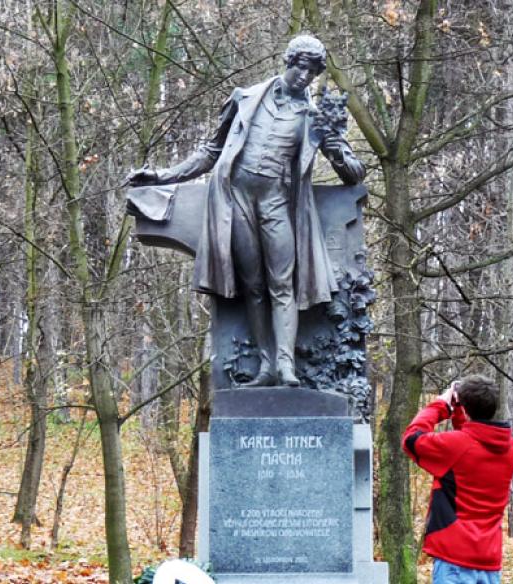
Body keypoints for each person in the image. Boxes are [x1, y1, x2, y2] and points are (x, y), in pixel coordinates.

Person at [126, 34, 365, 387]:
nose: (304, 76)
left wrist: (334, 147)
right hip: (236, 198)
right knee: (253, 284)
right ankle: (266, 365)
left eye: (311, 71)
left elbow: (354, 174)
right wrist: (161, 176)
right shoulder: (245, 99)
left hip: (276, 202)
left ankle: (286, 365)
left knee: (281, 283)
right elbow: (210, 152)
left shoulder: (314, 117)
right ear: (288, 62)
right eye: (300, 66)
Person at [402, 375, 513, 584]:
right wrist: (458, 411)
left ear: (465, 408)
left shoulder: (457, 447)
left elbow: (411, 439)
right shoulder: (511, 449)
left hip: (454, 560)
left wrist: (442, 404)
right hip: (489, 561)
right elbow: (470, 443)